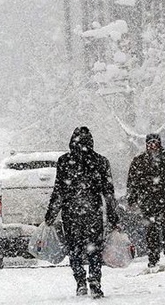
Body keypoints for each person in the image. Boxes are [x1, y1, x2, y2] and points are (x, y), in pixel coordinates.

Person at [45, 126, 119, 299]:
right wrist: (113, 216)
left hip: (71, 213)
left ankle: (80, 282)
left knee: (75, 249)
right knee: (94, 250)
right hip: (93, 212)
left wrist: (51, 214)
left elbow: (59, 191)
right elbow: (108, 193)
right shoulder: (101, 161)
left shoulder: (64, 161)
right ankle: (94, 281)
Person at [127, 133, 165, 271]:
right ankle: (153, 257)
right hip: (148, 201)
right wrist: (132, 198)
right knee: (151, 231)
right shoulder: (139, 161)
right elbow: (132, 182)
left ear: (159, 143)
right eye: (149, 143)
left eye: (155, 143)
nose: (152, 146)